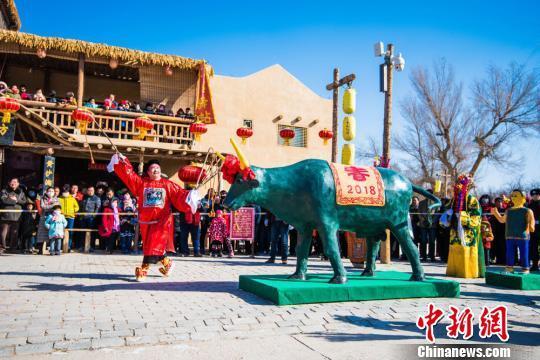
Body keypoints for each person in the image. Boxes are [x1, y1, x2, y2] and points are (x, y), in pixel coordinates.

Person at [108, 154, 197, 281]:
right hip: (146, 222)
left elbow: (179, 195)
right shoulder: (141, 183)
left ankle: (144, 269)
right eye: (152, 168)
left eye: (157, 168)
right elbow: (130, 176)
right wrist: (122, 161)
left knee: (153, 243)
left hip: (162, 220)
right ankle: (167, 263)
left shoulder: (167, 184)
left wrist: (190, 195)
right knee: (151, 245)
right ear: (148, 172)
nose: (156, 170)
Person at [446, 175, 484, 278]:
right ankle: (455, 270)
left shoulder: (472, 199)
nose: (458, 185)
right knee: (455, 246)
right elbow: (447, 208)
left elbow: (476, 215)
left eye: (461, 183)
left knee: (466, 247)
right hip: (455, 227)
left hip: (467, 229)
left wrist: (463, 217)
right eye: (457, 183)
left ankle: (468, 271)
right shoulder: (454, 199)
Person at [491, 189, 536, 273]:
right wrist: (496, 213)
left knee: (524, 253)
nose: (514, 198)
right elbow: (502, 220)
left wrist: (532, 226)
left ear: (523, 198)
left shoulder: (527, 211)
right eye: (513, 196)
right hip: (510, 235)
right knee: (509, 253)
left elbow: (531, 220)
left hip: (523, 235)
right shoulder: (509, 210)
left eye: (516, 196)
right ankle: (509, 267)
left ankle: (525, 268)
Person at [0, 178, 27, 254]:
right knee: (3, 232)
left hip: (17, 215)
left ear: (18, 183)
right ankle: (2, 247)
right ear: (9, 183)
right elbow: (3, 200)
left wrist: (16, 199)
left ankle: (13, 248)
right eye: (11, 182)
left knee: (14, 232)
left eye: (15, 182)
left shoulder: (21, 192)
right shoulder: (4, 191)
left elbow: (24, 202)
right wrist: (13, 201)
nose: (13, 183)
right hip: (6, 214)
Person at [36, 187, 60, 253]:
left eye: (52, 191)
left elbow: (58, 207)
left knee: (51, 233)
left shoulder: (56, 199)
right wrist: (52, 206)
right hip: (43, 217)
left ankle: (51, 249)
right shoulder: (43, 198)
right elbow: (43, 206)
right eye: (49, 191)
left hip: (53, 217)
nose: (51, 192)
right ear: (46, 192)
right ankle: (40, 250)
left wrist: (50, 206)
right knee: (41, 233)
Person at [418, 189, 437, 262]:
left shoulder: (435, 203)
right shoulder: (421, 203)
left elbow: (437, 214)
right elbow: (419, 213)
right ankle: (424, 256)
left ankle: (432, 256)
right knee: (423, 240)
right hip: (423, 224)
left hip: (432, 225)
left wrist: (432, 221)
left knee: (432, 241)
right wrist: (423, 220)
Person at [80, 186, 101, 251]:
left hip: (91, 218)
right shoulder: (85, 197)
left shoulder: (97, 198)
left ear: (94, 191)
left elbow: (98, 208)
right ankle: (83, 246)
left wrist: (94, 216)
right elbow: (81, 206)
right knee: (83, 232)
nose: (90, 191)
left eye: (91, 190)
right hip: (84, 217)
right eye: (89, 190)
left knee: (92, 233)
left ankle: (92, 246)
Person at [491, 197, 507, 264]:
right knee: (496, 245)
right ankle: (497, 260)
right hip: (495, 230)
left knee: (503, 245)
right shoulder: (493, 210)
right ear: (495, 203)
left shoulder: (505, 210)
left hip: (503, 230)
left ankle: (503, 260)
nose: (499, 203)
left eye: (500, 202)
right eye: (497, 202)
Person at [528, 189, 540, 271]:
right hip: (533, 229)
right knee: (533, 247)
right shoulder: (530, 205)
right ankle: (535, 264)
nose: (535, 196)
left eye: (537, 195)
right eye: (533, 195)